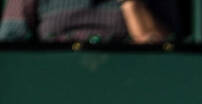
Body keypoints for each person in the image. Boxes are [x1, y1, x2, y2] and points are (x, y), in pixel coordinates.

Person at [0, 0, 177, 43]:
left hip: (126, 85)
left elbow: (163, 48)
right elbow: (11, 45)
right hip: (56, 85)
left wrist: (131, 4)